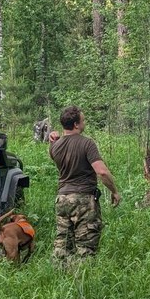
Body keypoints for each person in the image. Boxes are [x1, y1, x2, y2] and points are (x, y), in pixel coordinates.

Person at [48, 106, 121, 264]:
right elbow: (101, 172)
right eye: (83, 120)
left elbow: (53, 153)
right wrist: (114, 191)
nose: (84, 123)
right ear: (76, 124)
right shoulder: (87, 144)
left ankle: (61, 280)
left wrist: (52, 140)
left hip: (62, 200)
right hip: (83, 200)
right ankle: (82, 281)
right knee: (86, 248)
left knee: (62, 245)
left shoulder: (55, 146)